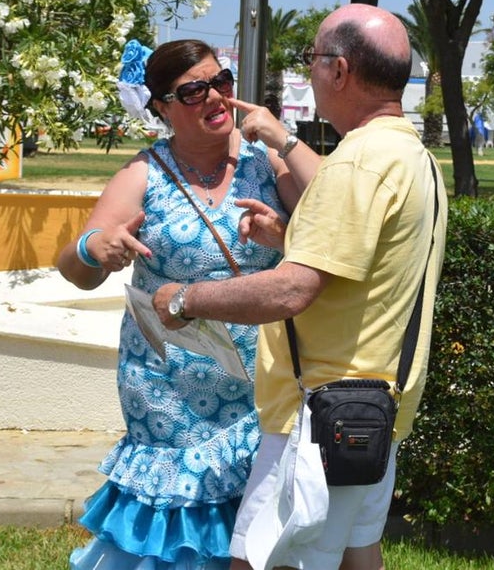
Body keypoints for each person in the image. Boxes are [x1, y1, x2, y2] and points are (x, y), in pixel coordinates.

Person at [152, 3, 449, 570]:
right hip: (373, 413)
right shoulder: (413, 156)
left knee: (258, 561)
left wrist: (184, 299)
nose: (310, 71)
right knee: (357, 555)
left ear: (338, 71)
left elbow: (292, 293)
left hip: (318, 421)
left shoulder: (358, 163)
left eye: (313, 59)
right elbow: (366, 269)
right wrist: (292, 237)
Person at [57, 38, 319, 570]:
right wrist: (95, 248)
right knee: (180, 524)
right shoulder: (142, 176)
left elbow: (342, 212)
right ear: (161, 107)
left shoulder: (266, 161)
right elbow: (74, 266)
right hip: (167, 387)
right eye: (193, 90)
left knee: (265, 518)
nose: (215, 97)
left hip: (262, 378)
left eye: (220, 81)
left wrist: (285, 140)